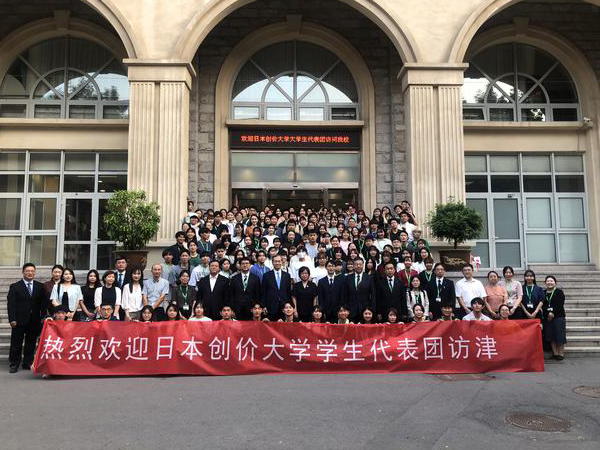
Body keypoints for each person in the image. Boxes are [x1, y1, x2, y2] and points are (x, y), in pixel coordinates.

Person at [7, 263, 46, 373]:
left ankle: (27, 362)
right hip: (18, 320)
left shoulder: (40, 286)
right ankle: (14, 363)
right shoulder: (15, 286)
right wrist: (12, 319)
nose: (30, 273)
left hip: (34, 320)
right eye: (27, 271)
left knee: (31, 342)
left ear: (35, 272)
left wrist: (43, 317)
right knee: (16, 343)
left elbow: (43, 304)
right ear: (23, 272)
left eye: (32, 271)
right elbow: (11, 304)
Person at [343, 258, 376, 322]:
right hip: (351, 311)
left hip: (365, 312)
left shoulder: (369, 278)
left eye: (360, 264)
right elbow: (345, 295)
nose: (358, 266)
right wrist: (346, 309)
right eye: (356, 264)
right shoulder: (348, 278)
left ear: (363, 265)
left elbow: (373, 295)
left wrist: (373, 309)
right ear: (353, 266)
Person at [543, 275, 566, 360]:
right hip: (548, 317)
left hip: (558, 316)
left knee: (560, 335)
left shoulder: (559, 292)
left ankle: (561, 354)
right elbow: (542, 305)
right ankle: (555, 353)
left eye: (551, 281)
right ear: (545, 283)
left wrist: (552, 313)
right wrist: (548, 313)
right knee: (551, 335)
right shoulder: (543, 292)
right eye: (548, 281)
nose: (549, 282)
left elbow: (560, 304)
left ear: (555, 283)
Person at [262, 255, 292, 321]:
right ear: (272, 262)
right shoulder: (266, 275)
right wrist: (264, 306)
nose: (277, 263)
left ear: (282, 262)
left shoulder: (287, 275)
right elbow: (264, 292)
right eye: (275, 261)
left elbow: (288, 292)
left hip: (284, 307)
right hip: (270, 306)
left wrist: (289, 306)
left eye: (279, 261)